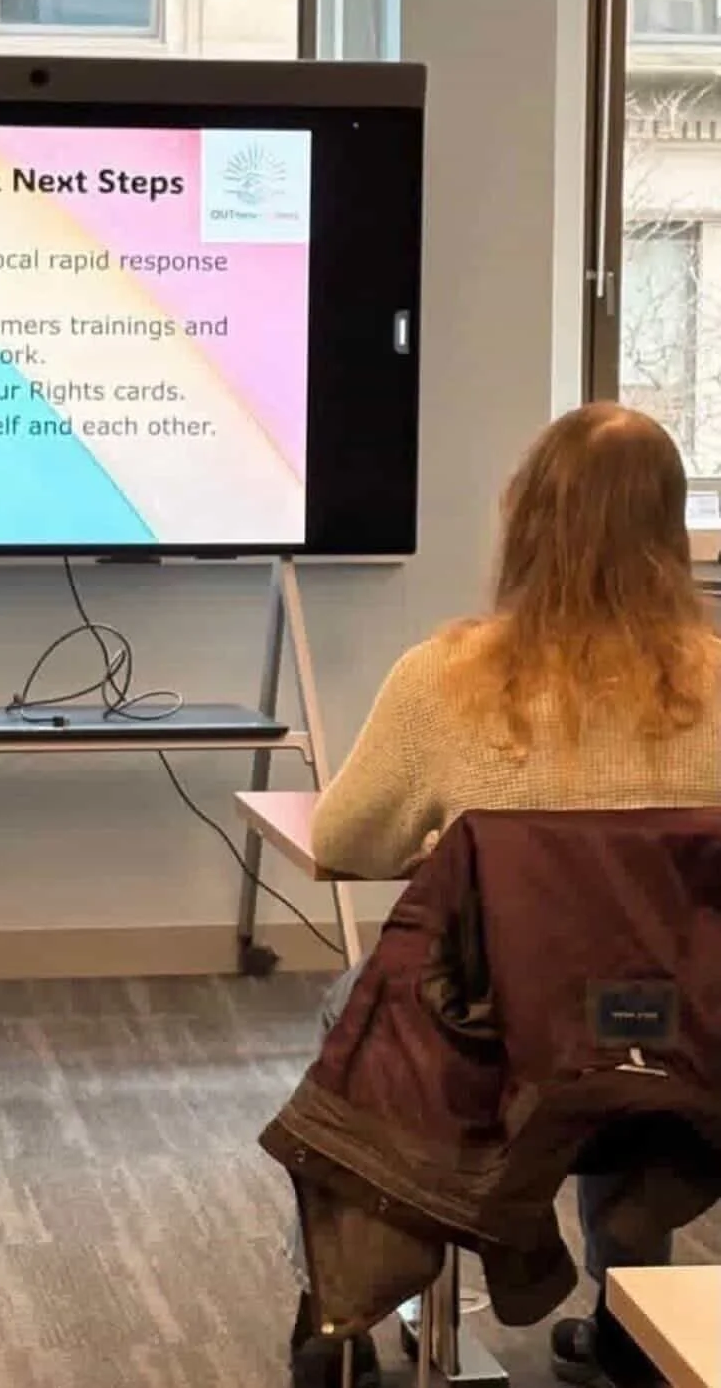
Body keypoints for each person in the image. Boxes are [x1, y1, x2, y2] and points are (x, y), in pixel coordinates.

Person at [288, 402, 721, 1388]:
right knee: (630, 1005)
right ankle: (632, 1326)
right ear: (669, 531)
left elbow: (344, 838)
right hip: (689, 1055)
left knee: (350, 1011)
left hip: (492, 1061)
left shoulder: (444, 682)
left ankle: (338, 1317)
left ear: (525, 522)